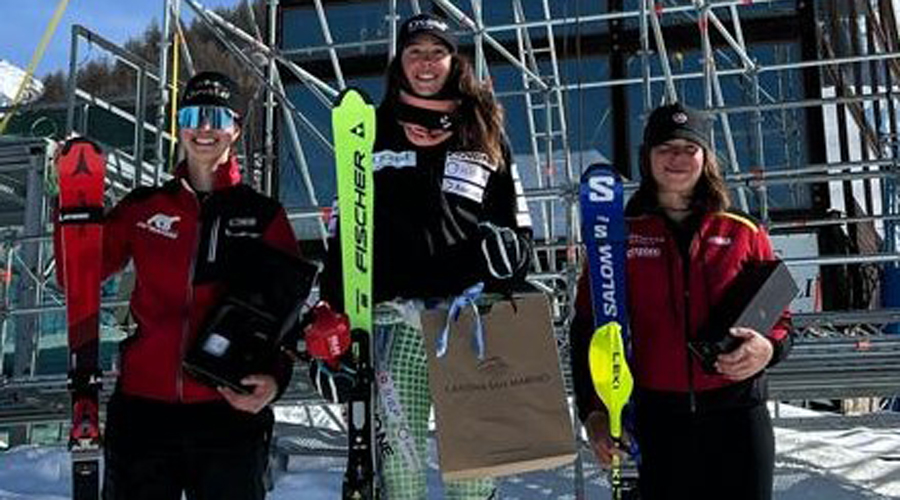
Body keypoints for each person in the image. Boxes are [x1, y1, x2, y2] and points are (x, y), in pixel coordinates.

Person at [307, 13, 534, 500]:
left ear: (455, 61)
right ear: (400, 63)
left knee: (474, 479)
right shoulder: (371, 131)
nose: (426, 63)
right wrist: (329, 312)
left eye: (437, 52)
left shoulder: (485, 131)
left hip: (466, 321)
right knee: (400, 474)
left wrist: (511, 254)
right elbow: (345, 232)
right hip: (394, 322)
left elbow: (518, 228)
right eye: (415, 53)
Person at [55, 71, 300, 500]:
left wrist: (276, 379)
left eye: (216, 117)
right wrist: (73, 210)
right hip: (145, 410)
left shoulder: (263, 215)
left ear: (236, 128)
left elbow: (286, 312)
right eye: (192, 115)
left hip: (228, 409)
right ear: (179, 125)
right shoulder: (143, 208)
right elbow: (78, 276)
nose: (204, 129)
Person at [569, 103, 792, 500]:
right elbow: (588, 328)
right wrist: (595, 412)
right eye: (664, 148)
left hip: (737, 418)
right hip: (657, 420)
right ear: (647, 158)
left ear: (705, 158)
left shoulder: (742, 230)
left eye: (689, 148)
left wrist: (767, 349)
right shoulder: (619, 235)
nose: (676, 158)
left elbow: (781, 318)